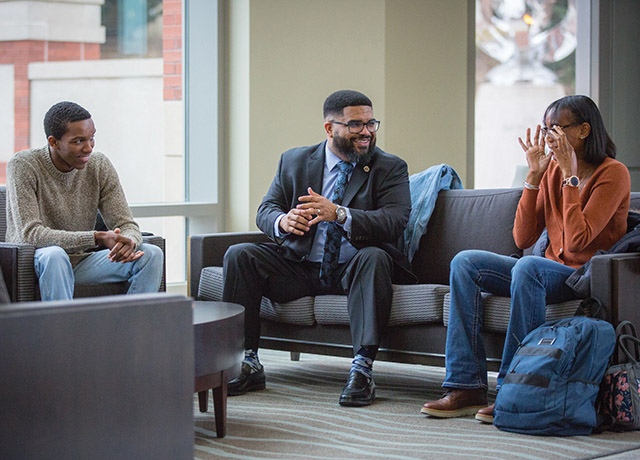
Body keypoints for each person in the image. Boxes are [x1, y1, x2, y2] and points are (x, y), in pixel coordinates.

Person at [421, 95, 630, 422]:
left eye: (557, 129)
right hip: (544, 272)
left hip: (582, 275)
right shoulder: (549, 173)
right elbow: (522, 238)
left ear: (584, 130)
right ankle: (466, 386)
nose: (548, 137)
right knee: (465, 263)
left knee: (528, 266)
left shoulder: (613, 174)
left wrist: (570, 178)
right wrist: (533, 177)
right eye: (545, 129)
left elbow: (577, 242)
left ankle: (512, 388)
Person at [222, 89, 414, 406]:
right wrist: (283, 221)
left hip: (352, 269)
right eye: (356, 125)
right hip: (299, 266)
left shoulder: (388, 167)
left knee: (375, 257)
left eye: (371, 123)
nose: (366, 132)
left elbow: (394, 220)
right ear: (330, 128)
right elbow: (266, 208)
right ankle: (248, 361)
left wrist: (339, 214)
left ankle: (362, 370)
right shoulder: (294, 160)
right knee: (240, 254)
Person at [5, 101, 164, 301]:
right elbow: (30, 234)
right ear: (53, 142)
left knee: (151, 254)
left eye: (92, 138)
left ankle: (133, 330)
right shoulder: (23, 165)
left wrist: (128, 242)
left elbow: (126, 224)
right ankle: (63, 332)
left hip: (82, 262)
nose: (88, 148)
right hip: (34, 262)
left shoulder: (98, 165)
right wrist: (96, 237)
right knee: (55, 255)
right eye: (78, 141)